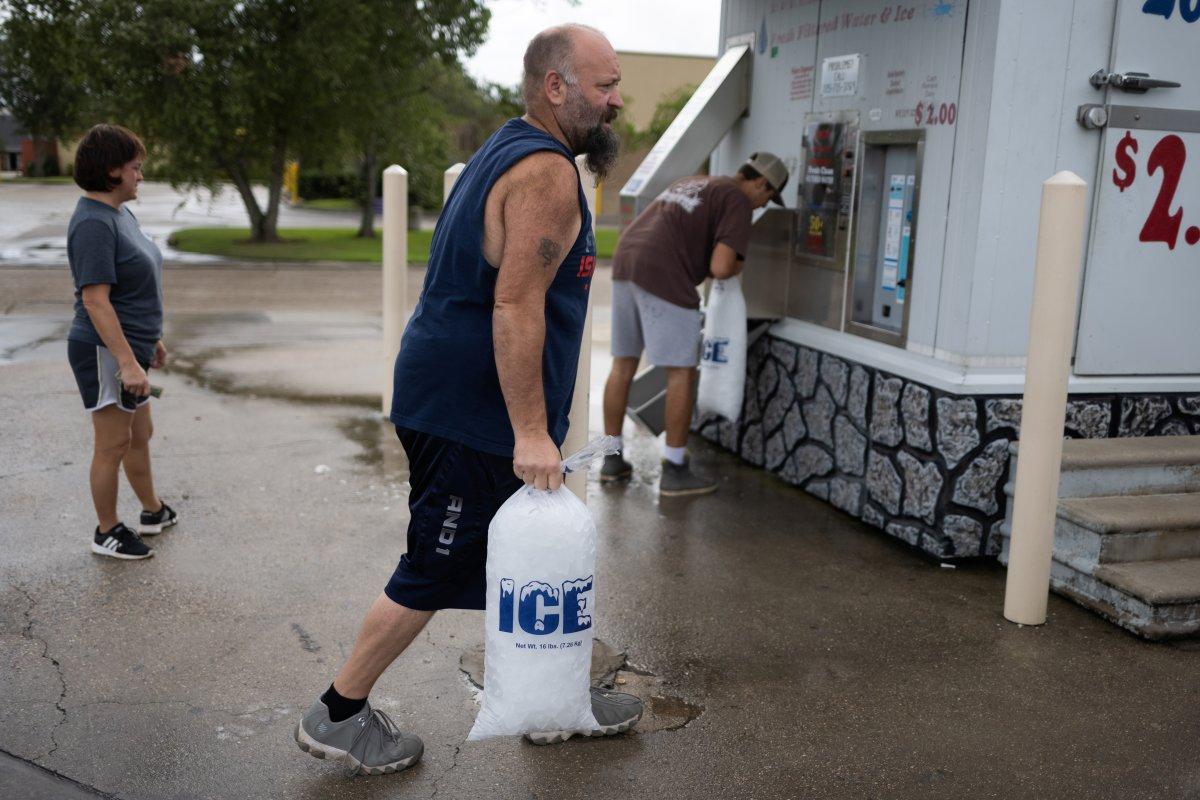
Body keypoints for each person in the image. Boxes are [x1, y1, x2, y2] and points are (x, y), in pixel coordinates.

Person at [294, 24, 642, 776]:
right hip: (470, 414)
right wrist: (530, 432)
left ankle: (557, 702)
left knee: (521, 557)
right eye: (605, 86)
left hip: (451, 397)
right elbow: (515, 306)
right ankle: (339, 712)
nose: (617, 101)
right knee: (433, 565)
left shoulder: (509, 145)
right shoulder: (548, 175)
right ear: (557, 87)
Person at [600, 153, 789, 496]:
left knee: (623, 364)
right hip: (664, 271)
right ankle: (675, 468)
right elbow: (720, 266)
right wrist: (736, 268)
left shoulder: (695, 181)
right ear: (761, 183)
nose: (763, 206)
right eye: (768, 198)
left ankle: (611, 462)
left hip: (626, 261)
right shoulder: (738, 200)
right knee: (682, 372)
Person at [66, 124, 178, 560]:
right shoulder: (93, 224)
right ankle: (107, 530)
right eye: (135, 167)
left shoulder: (117, 215)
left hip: (132, 346)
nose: (140, 176)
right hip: (105, 350)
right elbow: (95, 302)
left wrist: (153, 339)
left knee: (139, 432)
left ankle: (151, 511)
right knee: (112, 442)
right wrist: (128, 362)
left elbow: (133, 288)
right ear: (112, 171)